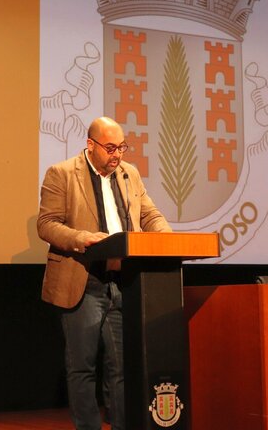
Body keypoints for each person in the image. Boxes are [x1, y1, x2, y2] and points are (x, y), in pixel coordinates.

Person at [37, 116, 171, 430]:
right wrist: (80, 238)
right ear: (90, 144)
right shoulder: (62, 173)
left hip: (123, 282)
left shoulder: (129, 173)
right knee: (82, 367)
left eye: (122, 147)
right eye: (110, 148)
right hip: (84, 280)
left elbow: (149, 214)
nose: (117, 154)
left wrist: (165, 237)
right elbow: (46, 224)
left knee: (122, 366)